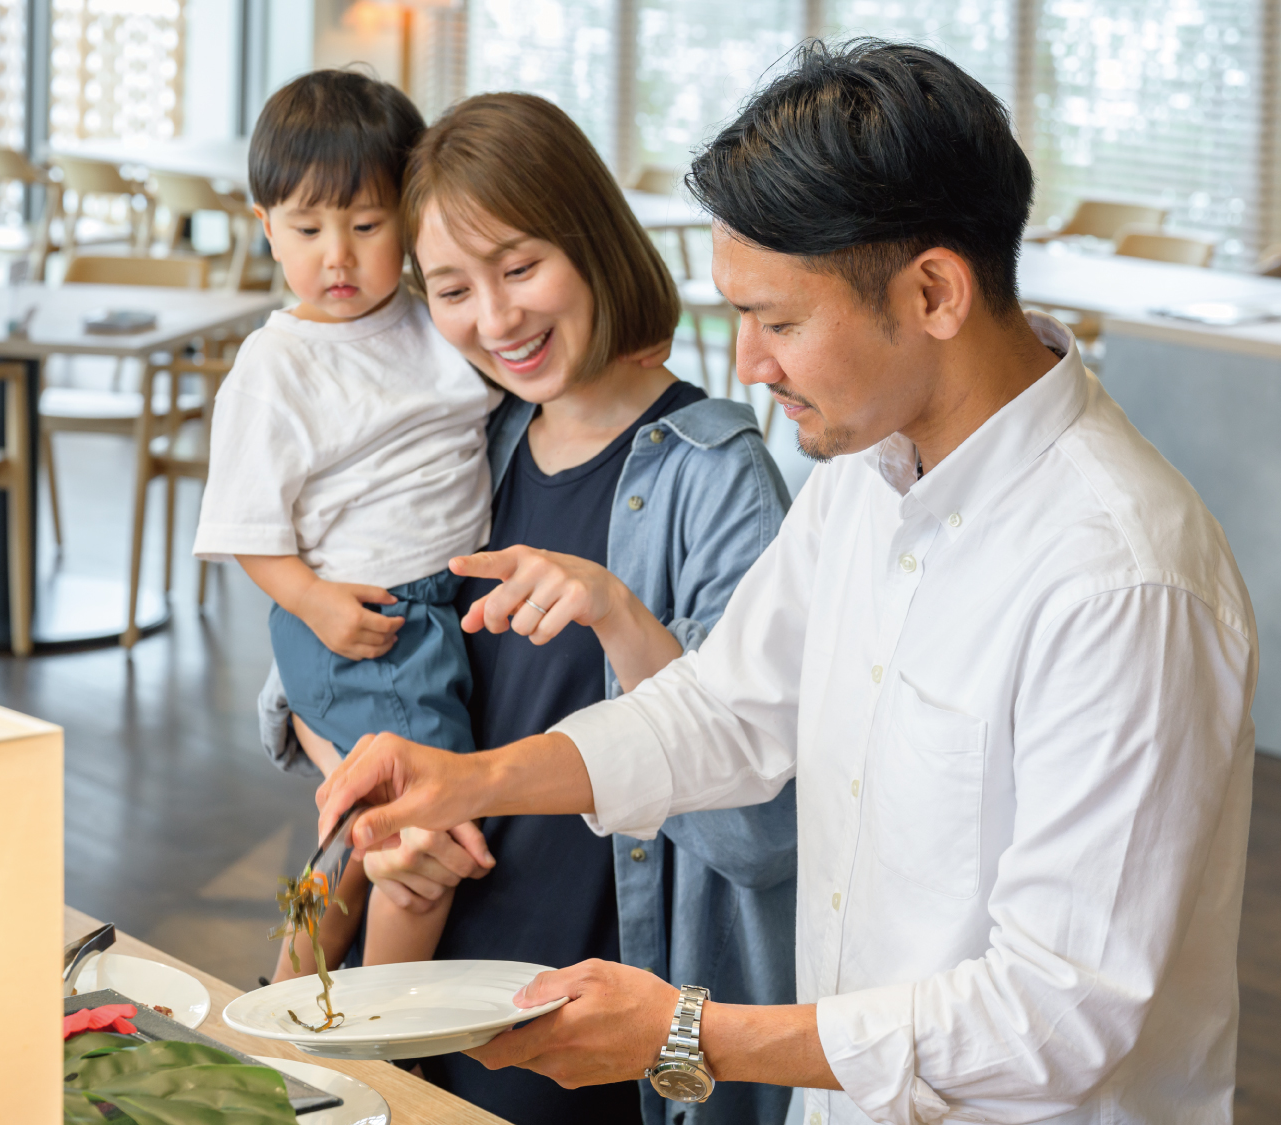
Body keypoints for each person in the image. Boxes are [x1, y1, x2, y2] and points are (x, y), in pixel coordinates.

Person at [316, 40, 1260, 1125]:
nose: (750, 366)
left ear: (934, 292)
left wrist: (688, 1033)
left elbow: (1059, 1016)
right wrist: (472, 782)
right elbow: (726, 706)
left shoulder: (1120, 580)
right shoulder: (868, 475)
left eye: (779, 321)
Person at [262, 93, 799, 1125]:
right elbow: (300, 672)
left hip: (603, 1008)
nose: (495, 320)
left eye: (519, 268)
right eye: (453, 288)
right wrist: (377, 804)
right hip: (431, 981)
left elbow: (762, 830)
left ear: (590, 240)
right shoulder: (465, 438)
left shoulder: (717, 477)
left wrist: (616, 615)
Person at [190, 69, 500, 967]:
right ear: (265, 228)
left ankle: (287, 1001)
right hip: (368, 620)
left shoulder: (431, 320)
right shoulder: (276, 365)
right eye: (307, 229)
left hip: (441, 610)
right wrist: (317, 603)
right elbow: (249, 528)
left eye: (366, 227)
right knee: (420, 842)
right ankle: (385, 1038)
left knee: (355, 836)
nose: (338, 256)